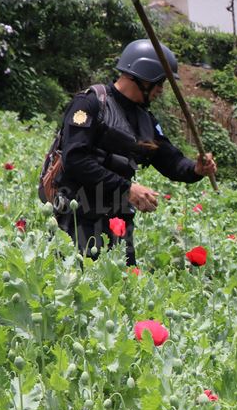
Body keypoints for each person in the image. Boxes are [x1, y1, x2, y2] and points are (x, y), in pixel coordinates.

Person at [52, 39, 217, 265]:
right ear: (144, 77)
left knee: (122, 289)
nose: (161, 90)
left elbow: (171, 160)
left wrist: (196, 169)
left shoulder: (145, 120)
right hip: (79, 215)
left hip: (118, 221)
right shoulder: (90, 104)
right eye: (160, 83)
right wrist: (127, 188)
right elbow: (76, 160)